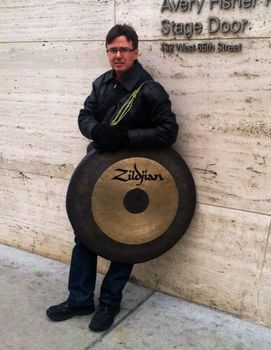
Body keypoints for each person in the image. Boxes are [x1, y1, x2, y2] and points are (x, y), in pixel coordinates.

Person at [46, 24, 178, 332]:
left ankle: (109, 303)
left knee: (126, 239)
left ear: (135, 52)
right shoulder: (101, 84)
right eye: (113, 50)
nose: (118, 55)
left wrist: (126, 137)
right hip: (99, 175)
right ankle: (79, 299)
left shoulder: (150, 90)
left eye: (124, 49)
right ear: (107, 52)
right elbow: (85, 116)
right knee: (85, 234)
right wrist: (97, 131)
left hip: (134, 178)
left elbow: (168, 131)